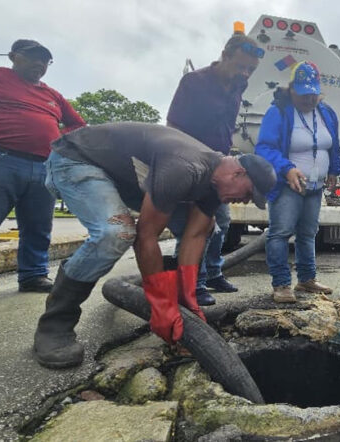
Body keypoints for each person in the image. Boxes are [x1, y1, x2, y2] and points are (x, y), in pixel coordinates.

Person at [32, 122, 275, 369]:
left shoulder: (213, 182)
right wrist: (160, 303)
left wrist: (189, 299)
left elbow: (194, 235)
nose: (245, 201)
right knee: (117, 233)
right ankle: (55, 324)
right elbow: (146, 236)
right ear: (237, 173)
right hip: (76, 159)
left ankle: (178, 312)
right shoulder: (185, 167)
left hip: (122, 176)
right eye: (249, 193)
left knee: (207, 225)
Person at [0, 39, 86, 305]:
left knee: (39, 226)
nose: (39, 63)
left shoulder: (52, 95)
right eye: (33, 57)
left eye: (45, 60)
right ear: (13, 56)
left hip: (43, 165)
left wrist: (56, 138)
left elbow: (78, 124)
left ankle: (33, 274)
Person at [166, 33, 264, 305]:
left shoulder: (238, 85)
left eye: (251, 69)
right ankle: (191, 285)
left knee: (221, 222)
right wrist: (184, 165)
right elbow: (173, 126)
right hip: (192, 164)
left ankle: (212, 273)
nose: (245, 73)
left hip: (218, 163)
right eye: (241, 66)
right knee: (195, 227)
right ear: (225, 55)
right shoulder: (195, 82)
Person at [255, 61, 340, 303]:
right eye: (303, 94)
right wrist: (287, 169)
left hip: (315, 186)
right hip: (288, 186)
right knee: (280, 233)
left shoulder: (326, 112)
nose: (309, 99)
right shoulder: (279, 112)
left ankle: (306, 279)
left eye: (313, 94)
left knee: (308, 233)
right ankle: (282, 284)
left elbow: (332, 144)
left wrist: (333, 169)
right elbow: (264, 148)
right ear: (291, 89)